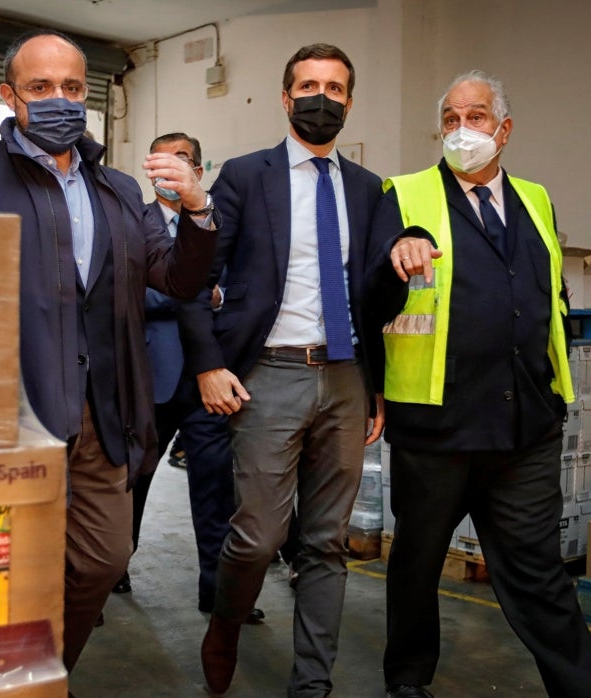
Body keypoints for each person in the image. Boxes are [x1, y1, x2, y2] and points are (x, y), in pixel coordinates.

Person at [0, 30, 217, 673]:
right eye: (41, 88)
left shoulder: (116, 191)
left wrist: (197, 210)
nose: (60, 100)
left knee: (104, 558)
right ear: (10, 96)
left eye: (74, 88)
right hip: (7, 413)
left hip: (101, 412)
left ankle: (45, 672)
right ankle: (0, 681)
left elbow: (179, 279)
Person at [369, 70, 591, 698]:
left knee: (537, 570)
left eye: (475, 117)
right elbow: (370, 293)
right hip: (437, 423)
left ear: (503, 130)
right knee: (418, 562)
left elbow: (547, 292)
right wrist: (398, 256)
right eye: (450, 119)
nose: (461, 130)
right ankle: (408, 681)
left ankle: (583, 690)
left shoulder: (536, 198)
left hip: (525, 424)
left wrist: (553, 390)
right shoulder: (402, 194)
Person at [179, 43, 385, 697]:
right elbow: (192, 280)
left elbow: (378, 297)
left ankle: (312, 683)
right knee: (258, 537)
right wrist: (208, 365)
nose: (321, 96)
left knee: (327, 543)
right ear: (286, 96)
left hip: (347, 378)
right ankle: (226, 626)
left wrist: (374, 389)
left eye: (334, 87)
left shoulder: (368, 189)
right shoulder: (245, 176)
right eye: (308, 85)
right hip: (269, 375)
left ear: (349, 101)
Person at [118, 131, 264, 625]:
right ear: (150, 170)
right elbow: (133, 296)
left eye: (186, 160)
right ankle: (112, 568)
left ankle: (218, 592)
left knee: (215, 488)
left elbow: (240, 287)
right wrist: (204, 294)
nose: (175, 169)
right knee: (133, 481)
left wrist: (215, 294)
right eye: (165, 161)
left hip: (211, 379)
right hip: (150, 378)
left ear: (200, 171)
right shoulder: (130, 222)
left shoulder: (222, 222)